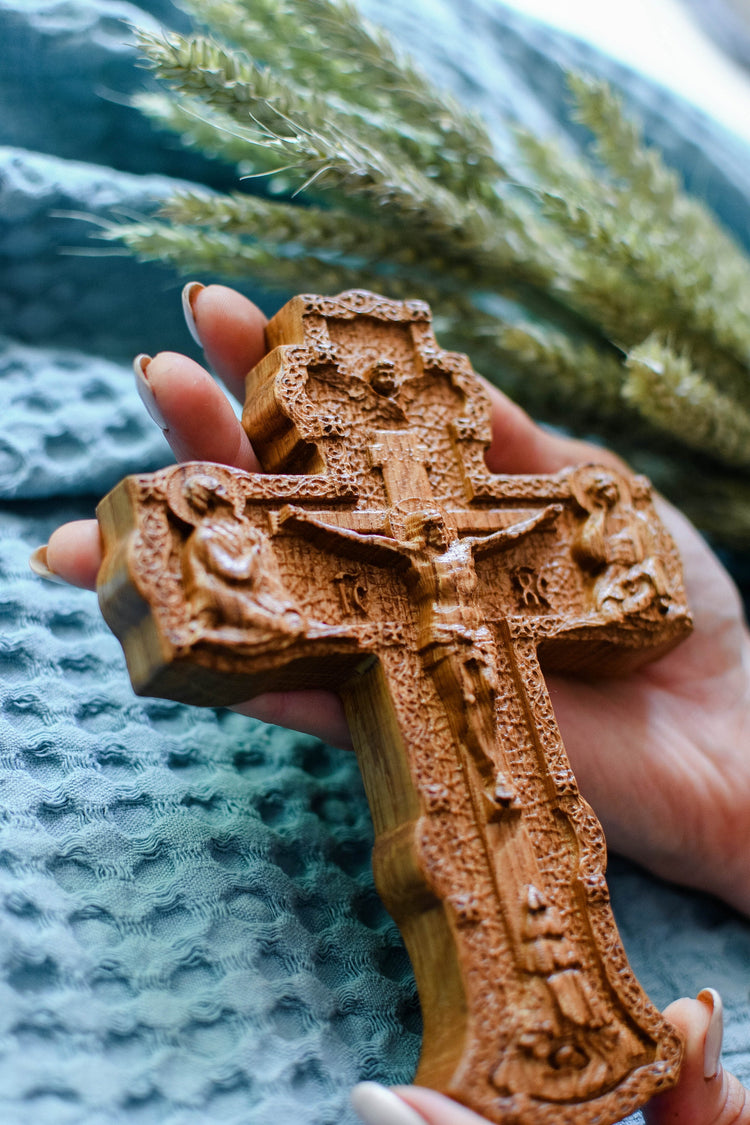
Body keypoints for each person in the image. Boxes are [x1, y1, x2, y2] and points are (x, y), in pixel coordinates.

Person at [30, 284, 750, 1125]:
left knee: (504, 783)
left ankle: (565, 1005)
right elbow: (335, 536)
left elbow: (518, 535)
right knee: (482, 788)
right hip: (435, 658)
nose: (436, 536)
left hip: (484, 662)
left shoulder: (488, 534)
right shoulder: (377, 540)